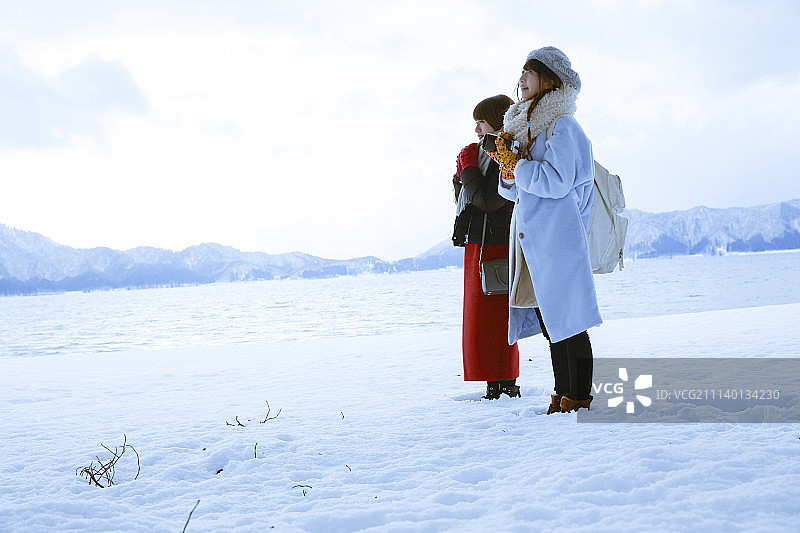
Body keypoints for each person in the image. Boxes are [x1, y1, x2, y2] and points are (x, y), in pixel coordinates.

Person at [484, 46, 602, 413]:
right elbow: (514, 189)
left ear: (548, 78)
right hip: (532, 237)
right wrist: (507, 171)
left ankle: (578, 398)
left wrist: (517, 166)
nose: (520, 79)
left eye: (528, 73)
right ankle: (562, 392)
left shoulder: (563, 126)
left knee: (570, 319)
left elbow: (556, 181)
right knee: (551, 318)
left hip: (559, 237)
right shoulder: (525, 124)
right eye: (520, 73)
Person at [452, 94, 520, 400]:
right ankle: (493, 382)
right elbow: (465, 197)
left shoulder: (505, 152)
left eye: (481, 121)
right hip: (478, 243)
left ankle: (506, 383)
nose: (477, 129)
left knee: (496, 318)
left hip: (496, 243)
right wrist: (462, 173)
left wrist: (467, 169)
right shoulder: (483, 153)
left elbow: (489, 201)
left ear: (497, 119)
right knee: (479, 321)